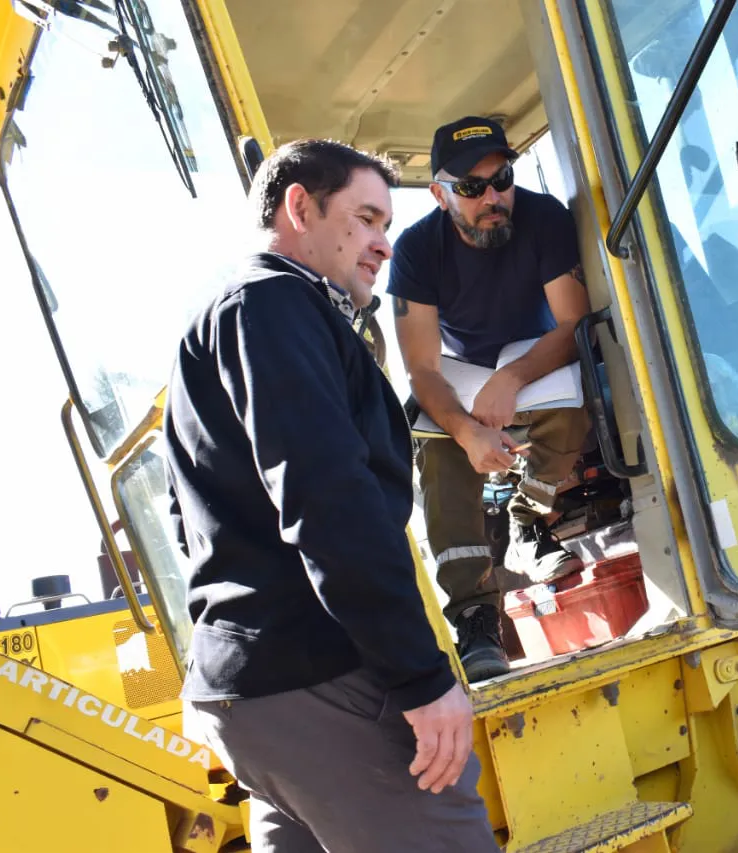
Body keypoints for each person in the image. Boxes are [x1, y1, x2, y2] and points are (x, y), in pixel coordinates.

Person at [163, 138, 498, 852]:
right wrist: (421, 675)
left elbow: (182, 518)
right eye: (368, 218)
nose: (384, 244)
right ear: (299, 207)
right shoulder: (275, 304)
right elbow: (328, 500)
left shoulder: (220, 321)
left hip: (244, 696)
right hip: (320, 678)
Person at [387, 116, 591, 683]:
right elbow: (422, 369)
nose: (493, 198)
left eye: (501, 179)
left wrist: (513, 379)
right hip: (462, 377)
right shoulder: (415, 251)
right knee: (433, 436)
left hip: (536, 360)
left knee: (580, 388)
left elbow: (574, 324)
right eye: (472, 188)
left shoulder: (544, 216)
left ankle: (526, 521)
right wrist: (467, 430)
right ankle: (477, 618)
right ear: (440, 193)